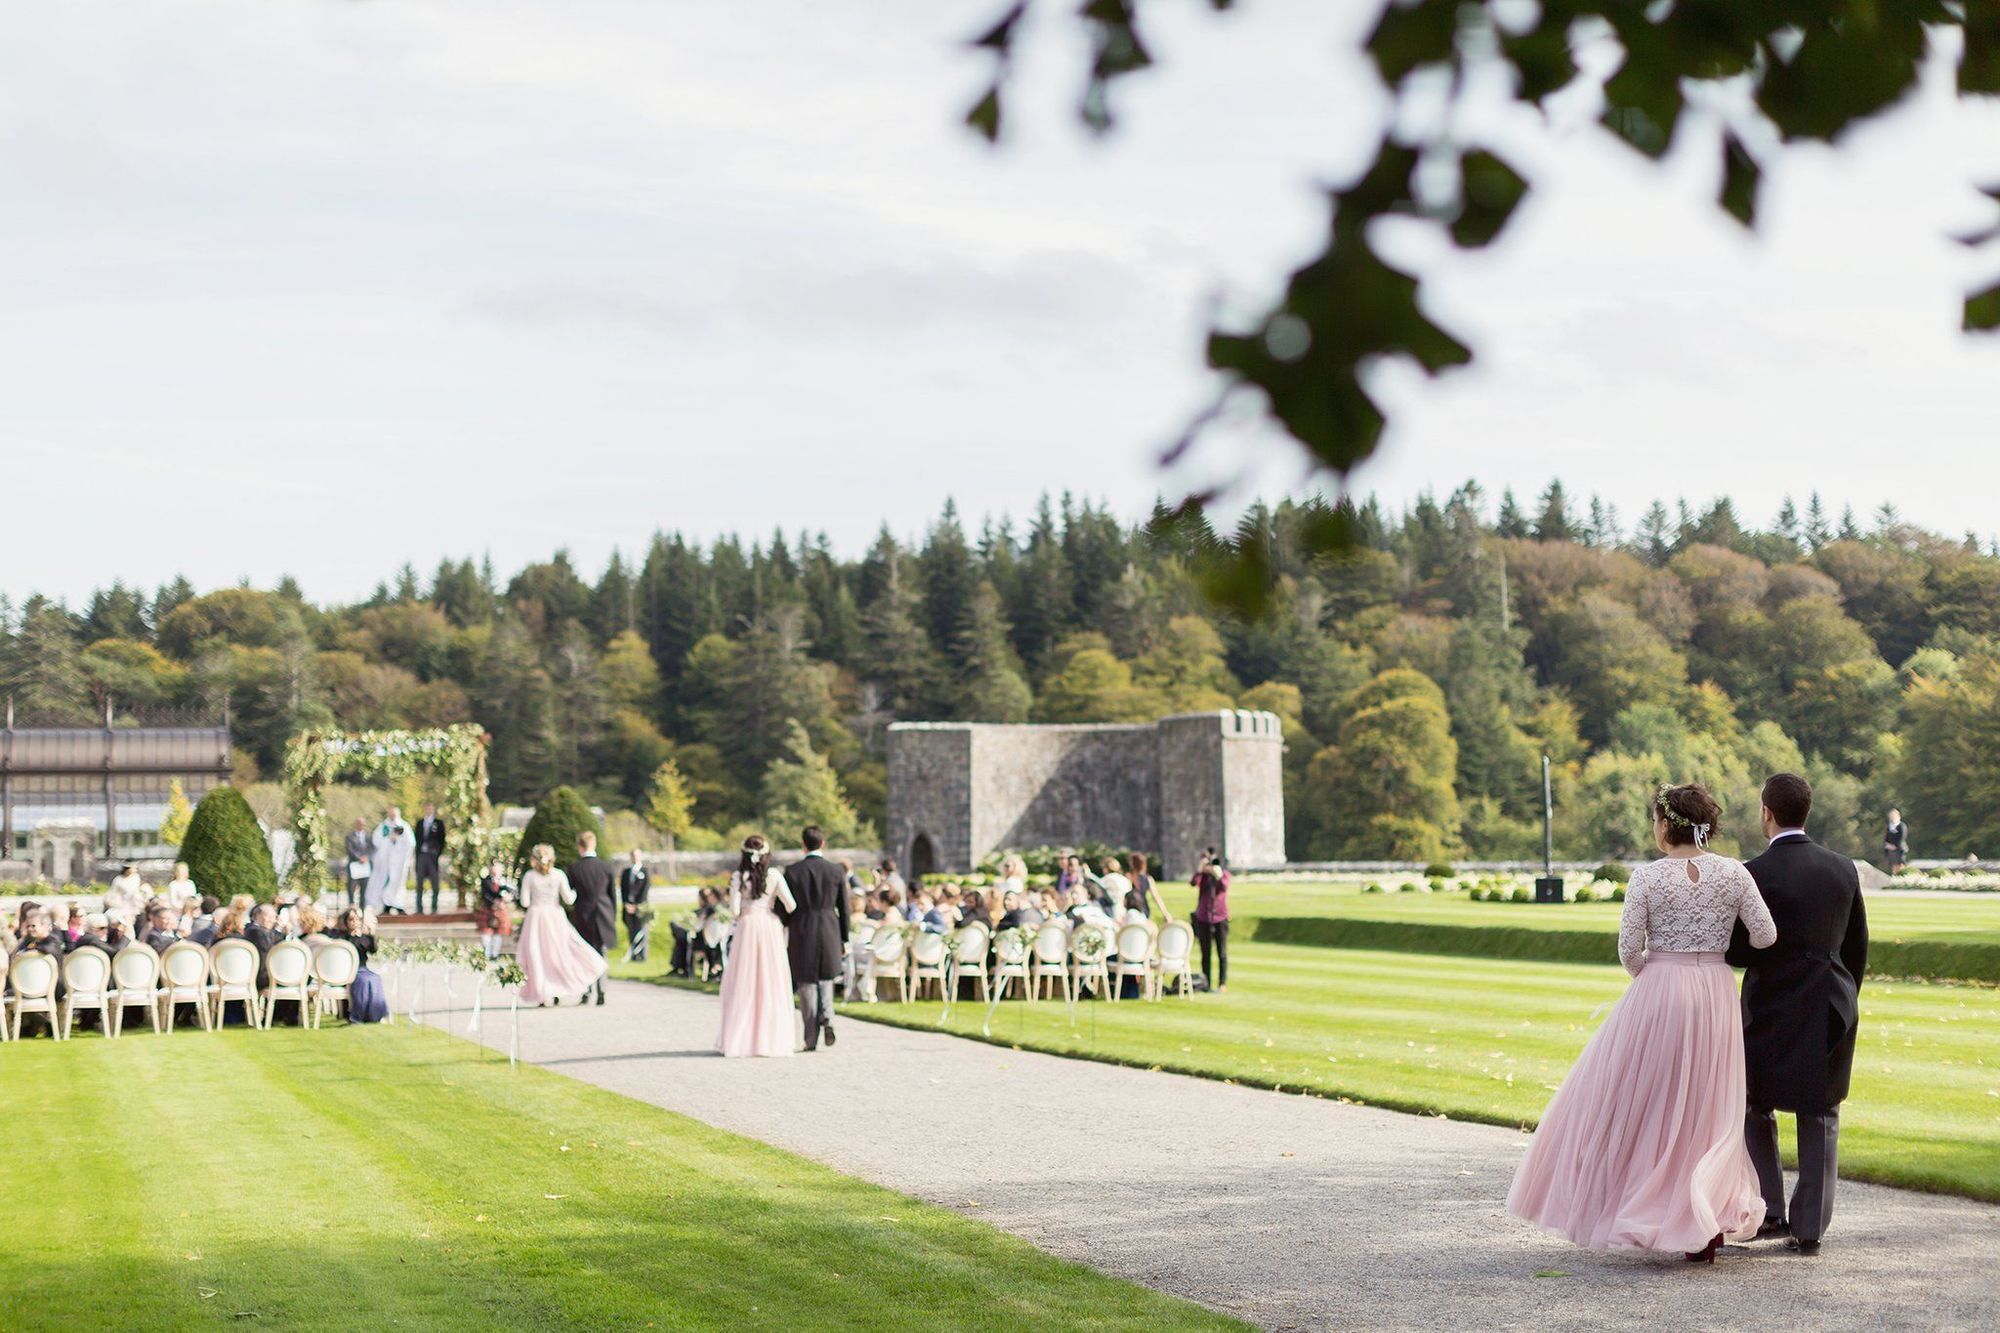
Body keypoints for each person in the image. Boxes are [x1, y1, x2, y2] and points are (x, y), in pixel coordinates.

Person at [1509, 783, 1777, 1262]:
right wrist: (1715, 953)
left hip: (1661, 989)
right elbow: (1765, 935)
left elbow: (1628, 950)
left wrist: (1657, 974)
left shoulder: (1648, 878)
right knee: (1709, 1105)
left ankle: (1653, 1208)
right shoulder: (1733, 872)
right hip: (1716, 991)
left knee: (1648, 1101)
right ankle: (1706, 1223)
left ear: (1665, 824)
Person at [1727, 772, 1871, 1257]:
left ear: (1766, 812)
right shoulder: (1843, 868)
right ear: (1806, 811)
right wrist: (1844, 995)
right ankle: (1809, 1228)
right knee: (1821, 1111)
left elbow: (1739, 952)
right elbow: (1856, 947)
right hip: (1830, 1000)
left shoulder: (1751, 873)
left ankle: (1771, 1211)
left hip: (1768, 1003)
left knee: (1754, 1104)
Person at [716, 834, 797, 1058]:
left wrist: (747, 909)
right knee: (771, 982)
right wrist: (771, 910)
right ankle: (771, 1038)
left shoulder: (738, 877)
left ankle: (741, 1039)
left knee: (744, 981)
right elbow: (791, 905)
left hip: (747, 926)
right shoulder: (774, 875)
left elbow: (734, 911)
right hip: (769, 927)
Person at [782, 824, 851, 1053]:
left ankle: (810, 1036)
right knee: (826, 978)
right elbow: (845, 907)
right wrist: (845, 938)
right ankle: (828, 1017)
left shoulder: (792, 871)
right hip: (829, 927)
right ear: (823, 843)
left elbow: (785, 907)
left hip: (802, 927)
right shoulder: (836, 871)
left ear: (803, 844)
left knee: (806, 983)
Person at [517, 842, 610, 1007]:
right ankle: (556, 990)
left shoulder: (529, 876)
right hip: (555, 917)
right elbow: (569, 899)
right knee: (557, 954)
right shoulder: (559, 875)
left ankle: (543, 992)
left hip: (536, 917)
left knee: (537, 955)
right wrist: (576, 892)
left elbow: (524, 902)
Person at [566, 830, 617, 1006]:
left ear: (580, 846)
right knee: (601, 952)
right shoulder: (606, 867)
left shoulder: (574, 868)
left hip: (583, 914)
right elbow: (612, 896)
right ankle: (602, 991)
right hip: (604, 913)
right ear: (594, 844)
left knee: (584, 954)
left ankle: (586, 992)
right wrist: (613, 916)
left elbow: (569, 896)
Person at [331, 907, 388, 1023]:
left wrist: (371, 934)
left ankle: (375, 1014)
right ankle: (358, 1015)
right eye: (352, 919)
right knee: (362, 981)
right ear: (346, 921)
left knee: (375, 979)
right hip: (348, 970)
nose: (355, 922)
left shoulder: (364, 938)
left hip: (363, 969)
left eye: (358, 919)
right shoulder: (341, 936)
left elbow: (373, 950)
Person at [1191, 850, 1231, 992]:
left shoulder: (1224, 874)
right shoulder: (1203, 877)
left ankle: (1222, 983)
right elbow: (1193, 882)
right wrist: (1200, 869)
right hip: (1203, 917)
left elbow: (1224, 887)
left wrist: (1218, 875)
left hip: (1220, 916)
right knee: (1205, 953)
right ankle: (1205, 982)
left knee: (1222, 952)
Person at [366, 807, 413, 915]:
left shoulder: (404, 826)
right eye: (391, 814)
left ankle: (399, 904)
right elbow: (376, 841)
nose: (392, 817)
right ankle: (386, 904)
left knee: (398, 882)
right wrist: (389, 839)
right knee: (385, 881)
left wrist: (398, 841)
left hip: (399, 862)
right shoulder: (383, 827)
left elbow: (410, 843)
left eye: (394, 815)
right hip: (386, 862)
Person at [476, 859, 514, 961]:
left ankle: (495, 954)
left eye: (498, 868)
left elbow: (512, 893)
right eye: (494, 868)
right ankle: (487, 954)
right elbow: (485, 895)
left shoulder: (505, 881)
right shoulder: (486, 880)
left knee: (499, 932)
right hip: (489, 908)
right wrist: (495, 902)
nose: (496, 870)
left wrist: (506, 899)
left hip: (501, 909)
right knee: (486, 932)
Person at [413, 803, 448, 914]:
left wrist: (437, 853)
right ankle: (419, 908)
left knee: (435, 883)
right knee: (419, 883)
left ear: (433, 810)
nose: (428, 810)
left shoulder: (438, 823)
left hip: (433, 857)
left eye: (430, 809)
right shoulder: (419, 823)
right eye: (427, 808)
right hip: (422, 856)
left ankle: (434, 907)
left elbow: (442, 840)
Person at [619, 849, 652, 964]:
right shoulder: (626, 872)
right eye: (633, 855)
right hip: (628, 906)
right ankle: (634, 954)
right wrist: (626, 904)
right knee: (631, 930)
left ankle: (642, 955)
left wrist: (637, 906)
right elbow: (623, 889)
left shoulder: (645, 871)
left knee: (642, 930)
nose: (635, 857)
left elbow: (645, 890)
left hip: (641, 907)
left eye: (637, 855)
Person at [1126, 853, 1171, 922]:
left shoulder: (1128, 877)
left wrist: (1166, 914)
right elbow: (1156, 897)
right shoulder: (1148, 879)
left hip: (1131, 909)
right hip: (1144, 908)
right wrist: (1165, 913)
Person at [343, 819, 374, 909]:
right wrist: (358, 858)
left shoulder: (368, 836)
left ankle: (363, 907)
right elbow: (349, 849)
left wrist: (366, 857)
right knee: (351, 887)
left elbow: (372, 849)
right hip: (354, 865)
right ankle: (351, 906)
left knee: (364, 887)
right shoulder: (349, 836)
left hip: (365, 865)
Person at [1882, 808, 1909, 874]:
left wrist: (1896, 846)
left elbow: (1902, 837)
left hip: (1900, 849)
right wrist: (1887, 845)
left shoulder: (1901, 825)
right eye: (1891, 816)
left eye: (1894, 816)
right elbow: (1886, 837)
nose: (1892, 817)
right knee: (1893, 865)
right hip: (1891, 850)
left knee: (1900, 865)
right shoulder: (1889, 826)